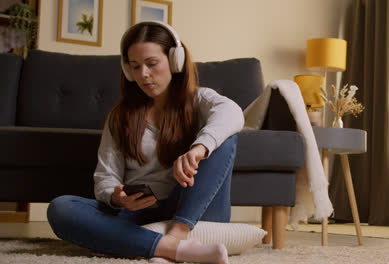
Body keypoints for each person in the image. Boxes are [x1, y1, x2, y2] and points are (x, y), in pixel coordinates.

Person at [47, 21, 244, 264]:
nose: (144, 75)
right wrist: (118, 197)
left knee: (224, 139)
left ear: (175, 61)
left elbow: (233, 112)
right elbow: (105, 178)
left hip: (197, 210)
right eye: (135, 66)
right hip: (139, 214)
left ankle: (176, 235)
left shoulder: (200, 99)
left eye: (152, 64)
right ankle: (173, 249)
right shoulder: (120, 116)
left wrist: (199, 149)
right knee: (61, 208)